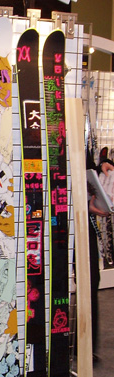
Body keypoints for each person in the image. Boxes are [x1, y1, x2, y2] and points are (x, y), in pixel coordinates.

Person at [86, 146, 114, 362]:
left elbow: (85, 172)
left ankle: (85, 344)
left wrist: (101, 166)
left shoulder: (77, 136)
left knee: (90, 279)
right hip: (59, 219)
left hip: (82, 220)